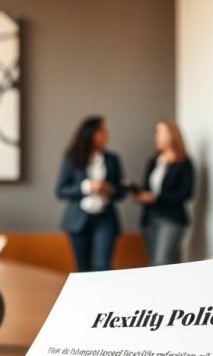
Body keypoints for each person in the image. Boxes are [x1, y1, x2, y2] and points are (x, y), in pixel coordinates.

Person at [55, 116, 125, 272]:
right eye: (101, 131)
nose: (105, 135)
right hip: (78, 220)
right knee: (83, 269)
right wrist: (86, 187)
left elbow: (121, 192)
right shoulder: (72, 158)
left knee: (102, 265)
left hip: (105, 218)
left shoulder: (112, 159)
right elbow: (60, 190)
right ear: (90, 133)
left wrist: (110, 189)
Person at [132, 120, 195, 266]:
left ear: (172, 135)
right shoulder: (153, 162)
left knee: (162, 261)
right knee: (154, 262)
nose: (157, 137)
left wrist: (156, 198)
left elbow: (186, 193)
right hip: (149, 218)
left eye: (161, 133)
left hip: (171, 219)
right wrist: (139, 194)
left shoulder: (184, 163)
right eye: (156, 133)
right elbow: (146, 188)